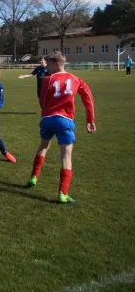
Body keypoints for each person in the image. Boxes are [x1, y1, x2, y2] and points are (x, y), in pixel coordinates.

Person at [27, 52, 95, 204]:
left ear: (57, 64)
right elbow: (87, 98)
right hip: (65, 120)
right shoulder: (75, 79)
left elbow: (42, 100)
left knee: (43, 146)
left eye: (49, 65)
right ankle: (62, 193)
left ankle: (34, 176)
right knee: (66, 156)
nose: (47, 68)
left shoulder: (48, 79)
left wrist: (46, 113)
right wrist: (90, 119)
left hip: (48, 119)